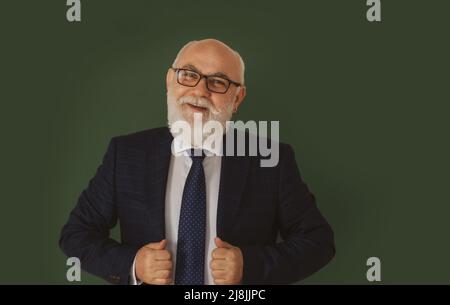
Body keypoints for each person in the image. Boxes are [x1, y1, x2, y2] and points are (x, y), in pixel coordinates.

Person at [59, 38, 335, 285]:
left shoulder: (271, 159)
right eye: (188, 74)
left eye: (217, 81)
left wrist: (249, 266)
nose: (200, 91)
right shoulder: (126, 153)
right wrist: (134, 264)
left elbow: (318, 242)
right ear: (170, 80)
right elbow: (76, 234)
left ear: (237, 97)